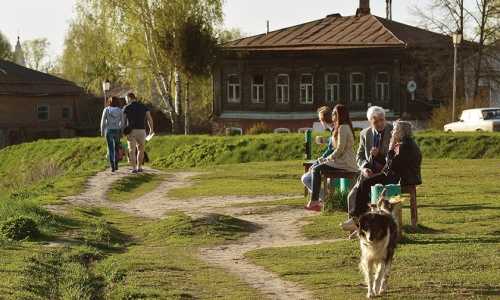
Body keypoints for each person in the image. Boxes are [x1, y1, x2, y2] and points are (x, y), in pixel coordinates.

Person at [346, 121, 422, 229]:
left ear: (401, 132)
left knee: (366, 183)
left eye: (395, 129)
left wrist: (390, 148)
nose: (392, 131)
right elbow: (391, 165)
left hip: (401, 179)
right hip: (402, 176)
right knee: (366, 182)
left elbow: (390, 167)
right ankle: (360, 219)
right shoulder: (407, 143)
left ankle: (358, 220)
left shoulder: (402, 146)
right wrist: (379, 156)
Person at [342, 106, 393, 229]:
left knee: (365, 189)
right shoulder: (365, 134)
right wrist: (364, 167)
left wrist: (379, 154)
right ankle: (356, 226)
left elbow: (394, 157)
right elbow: (359, 156)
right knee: (351, 195)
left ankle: (361, 224)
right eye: (376, 122)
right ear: (370, 122)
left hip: (385, 173)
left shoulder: (392, 131)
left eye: (382, 120)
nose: (380, 124)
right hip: (368, 173)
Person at [305, 104, 358, 211]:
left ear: (339, 115)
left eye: (334, 113)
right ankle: (315, 201)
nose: (332, 116)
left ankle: (315, 201)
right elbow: (335, 145)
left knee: (316, 169)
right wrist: (325, 143)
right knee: (317, 169)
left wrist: (327, 159)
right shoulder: (341, 127)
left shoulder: (343, 127)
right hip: (341, 161)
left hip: (345, 162)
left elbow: (340, 149)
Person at [301, 106, 335, 201]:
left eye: (320, 120)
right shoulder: (334, 130)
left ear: (324, 120)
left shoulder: (335, 130)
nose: (320, 122)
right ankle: (325, 198)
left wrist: (318, 162)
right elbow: (332, 146)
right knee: (307, 176)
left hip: (334, 162)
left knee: (306, 178)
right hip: (332, 160)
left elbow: (332, 149)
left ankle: (326, 199)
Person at [123, 93, 154, 173]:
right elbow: (149, 118)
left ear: (129, 98)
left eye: (126, 99)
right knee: (141, 150)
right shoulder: (143, 106)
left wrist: (123, 131)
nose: (126, 101)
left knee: (131, 150)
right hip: (142, 131)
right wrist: (151, 129)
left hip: (131, 131)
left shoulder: (127, 107)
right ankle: (139, 167)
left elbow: (123, 121)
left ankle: (134, 169)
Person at [100, 96, 124, 172]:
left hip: (109, 130)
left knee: (110, 148)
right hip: (117, 130)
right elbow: (122, 122)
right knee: (116, 147)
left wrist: (102, 131)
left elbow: (102, 122)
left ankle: (112, 165)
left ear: (109, 102)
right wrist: (121, 130)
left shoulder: (106, 110)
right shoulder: (120, 111)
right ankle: (116, 164)